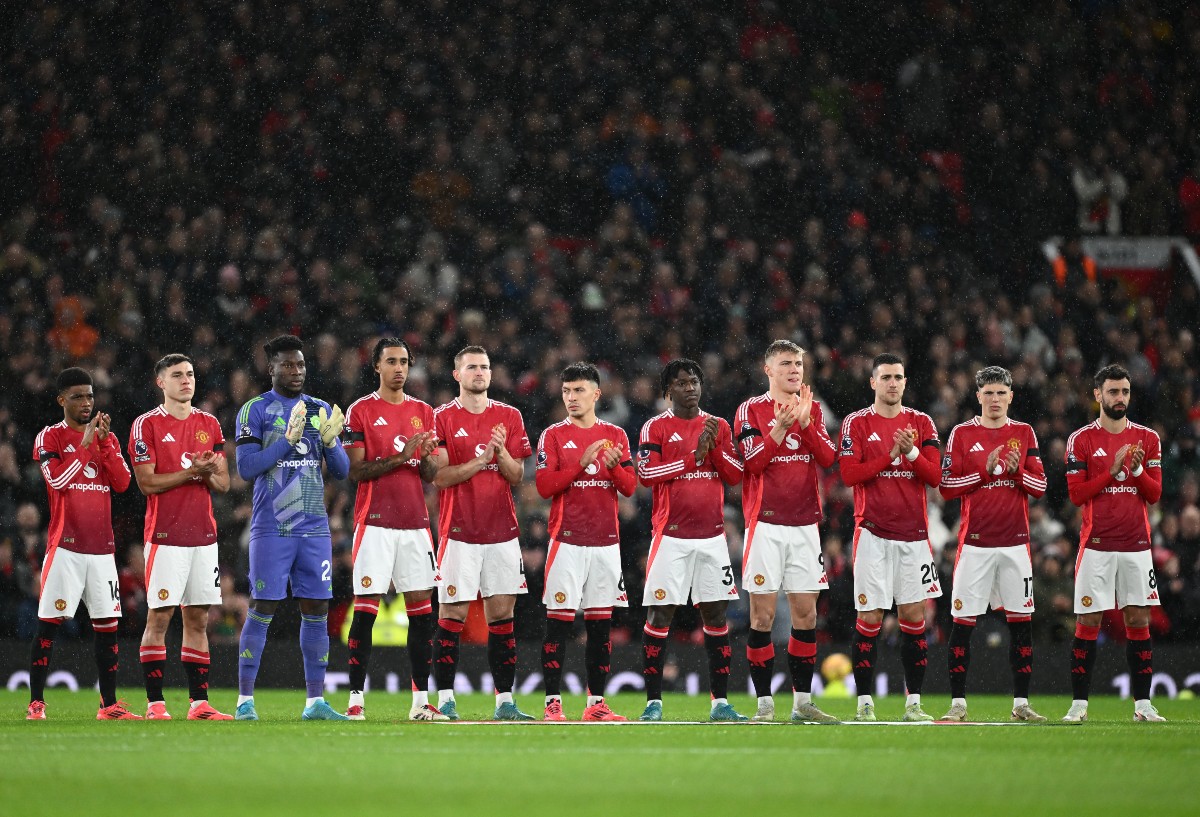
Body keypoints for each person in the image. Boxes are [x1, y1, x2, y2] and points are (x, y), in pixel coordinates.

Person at [232, 335, 350, 721]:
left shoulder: (317, 409)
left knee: (316, 607)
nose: (296, 371)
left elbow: (344, 471)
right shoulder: (255, 410)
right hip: (273, 527)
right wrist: (286, 441)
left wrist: (331, 444)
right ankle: (245, 701)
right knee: (263, 606)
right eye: (287, 365)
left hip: (314, 528)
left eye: (300, 365)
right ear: (271, 369)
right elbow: (248, 469)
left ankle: (315, 702)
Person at [340, 338, 446, 721]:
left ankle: (420, 703)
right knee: (365, 612)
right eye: (391, 362)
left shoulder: (423, 411)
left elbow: (431, 474)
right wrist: (402, 457)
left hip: (416, 525)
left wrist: (427, 456)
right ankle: (355, 699)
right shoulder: (361, 411)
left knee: (421, 616)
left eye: (404, 362)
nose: (399, 368)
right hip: (375, 525)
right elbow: (356, 470)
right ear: (377, 367)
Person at [734, 340, 839, 723]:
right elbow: (752, 463)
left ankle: (802, 704)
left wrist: (807, 424)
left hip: (805, 525)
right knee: (761, 617)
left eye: (798, 363)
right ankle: (764, 705)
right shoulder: (751, 410)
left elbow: (828, 459)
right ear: (769, 370)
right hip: (765, 524)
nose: (795, 370)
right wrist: (780, 427)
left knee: (806, 615)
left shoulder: (814, 409)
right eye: (786, 363)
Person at [637, 358, 746, 722]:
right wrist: (690, 457)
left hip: (713, 537)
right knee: (660, 614)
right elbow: (646, 474)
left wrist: (713, 448)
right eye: (682, 383)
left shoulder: (719, 425)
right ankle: (653, 703)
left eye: (695, 381)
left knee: (715, 616)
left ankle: (720, 703)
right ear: (669, 390)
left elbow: (733, 476)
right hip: (670, 537)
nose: (691, 388)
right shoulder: (655, 427)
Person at [938, 366, 1048, 722]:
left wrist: (1016, 472)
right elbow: (946, 488)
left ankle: (1021, 704)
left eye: (1002, 393)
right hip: (975, 543)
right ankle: (958, 704)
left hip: (1016, 545)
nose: (995, 399)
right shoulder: (962, 433)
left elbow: (1041, 487)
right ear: (978, 396)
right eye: (989, 392)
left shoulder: (1023, 432)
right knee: (962, 624)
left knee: (1021, 625)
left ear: (1011, 396)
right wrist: (985, 471)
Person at [27, 368, 137, 720]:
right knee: (49, 625)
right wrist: (87, 446)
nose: (87, 402)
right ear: (62, 400)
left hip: (102, 550)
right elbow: (57, 479)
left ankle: (109, 705)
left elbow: (121, 483)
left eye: (90, 396)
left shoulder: (107, 437)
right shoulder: (50, 437)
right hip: (66, 548)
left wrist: (103, 443)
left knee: (107, 629)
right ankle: (36, 703)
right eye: (78, 396)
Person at [430, 345, 533, 721]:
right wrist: (479, 460)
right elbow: (440, 476)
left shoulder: (509, 415)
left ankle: (505, 701)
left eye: (485, 367)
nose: (480, 373)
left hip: (502, 532)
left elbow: (518, 475)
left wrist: (500, 451)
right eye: (472, 367)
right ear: (457, 374)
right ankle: (445, 700)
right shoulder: (440, 417)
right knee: (452, 614)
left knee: (502, 617)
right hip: (459, 532)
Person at [838, 353, 942, 722]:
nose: (893, 383)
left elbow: (935, 477)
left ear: (905, 382)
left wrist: (910, 451)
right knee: (870, 616)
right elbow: (850, 475)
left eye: (898, 377)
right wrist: (890, 455)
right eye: (885, 377)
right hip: (872, 535)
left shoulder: (921, 422)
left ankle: (913, 703)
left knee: (914, 617)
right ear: (873, 382)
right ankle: (864, 702)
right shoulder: (857, 423)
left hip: (913, 537)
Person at [129, 354, 233, 720]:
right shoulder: (146, 425)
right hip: (165, 536)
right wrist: (192, 472)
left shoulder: (209, 423)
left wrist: (204, 473)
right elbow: (146, 483)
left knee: (198, 620)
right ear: (161, 382)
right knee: (158, 618)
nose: (186, 380)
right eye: (177, 375)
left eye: (190, 374)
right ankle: (155, 704)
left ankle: (198, 703)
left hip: (204, 537)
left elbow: (223, 483)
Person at [1062, 364, 1165, 723]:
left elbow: (1154, 494)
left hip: (1137, 545)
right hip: (1097, 545)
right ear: (1098, 395)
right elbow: (1077, 495)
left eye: (1124, 392)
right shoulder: (1082, 440)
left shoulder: (1148, 439)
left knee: (1139, 619)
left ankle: (1142, 705)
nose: (1119, 398)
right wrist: (1112, 471)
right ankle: (1079, 705)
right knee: (1088, 619)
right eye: (1113, 392)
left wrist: (1135, 470)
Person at [535, 363, 637, 721]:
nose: (571, 398)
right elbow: (545, 487)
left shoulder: (616, 435)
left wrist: (611, 467)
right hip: (567, 541)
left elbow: (628, 487)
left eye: (578, 391)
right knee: (558, 624)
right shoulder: (553, 435)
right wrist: (580, 464)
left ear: (596, 394)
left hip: (606, 544)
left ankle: (596, 705)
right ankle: (552, 703)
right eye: (566, 391)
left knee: (599, 626)